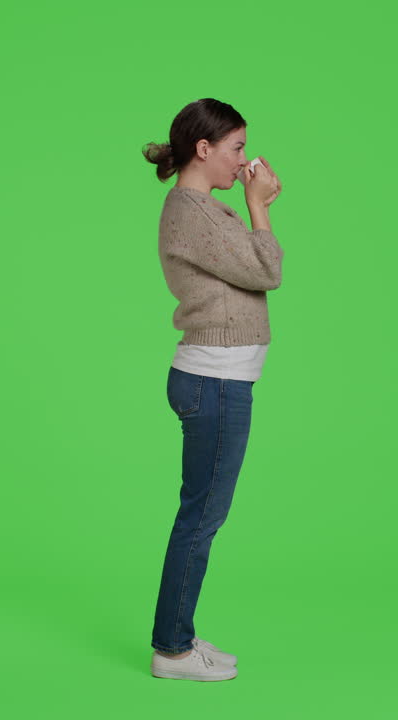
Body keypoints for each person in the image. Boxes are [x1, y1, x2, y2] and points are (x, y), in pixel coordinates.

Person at [143, 98, 283, 681]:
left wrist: (247, 206)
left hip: (218, 380)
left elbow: (253, 268)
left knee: (200, 515)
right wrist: (258, 206)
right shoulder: (193, 210)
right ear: (204, 149)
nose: (244, 161)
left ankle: (179, 634)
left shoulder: (201, 208)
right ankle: (171, 650)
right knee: (201, 518)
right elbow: (267, 269)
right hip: (215, 382)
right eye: (236, 149)